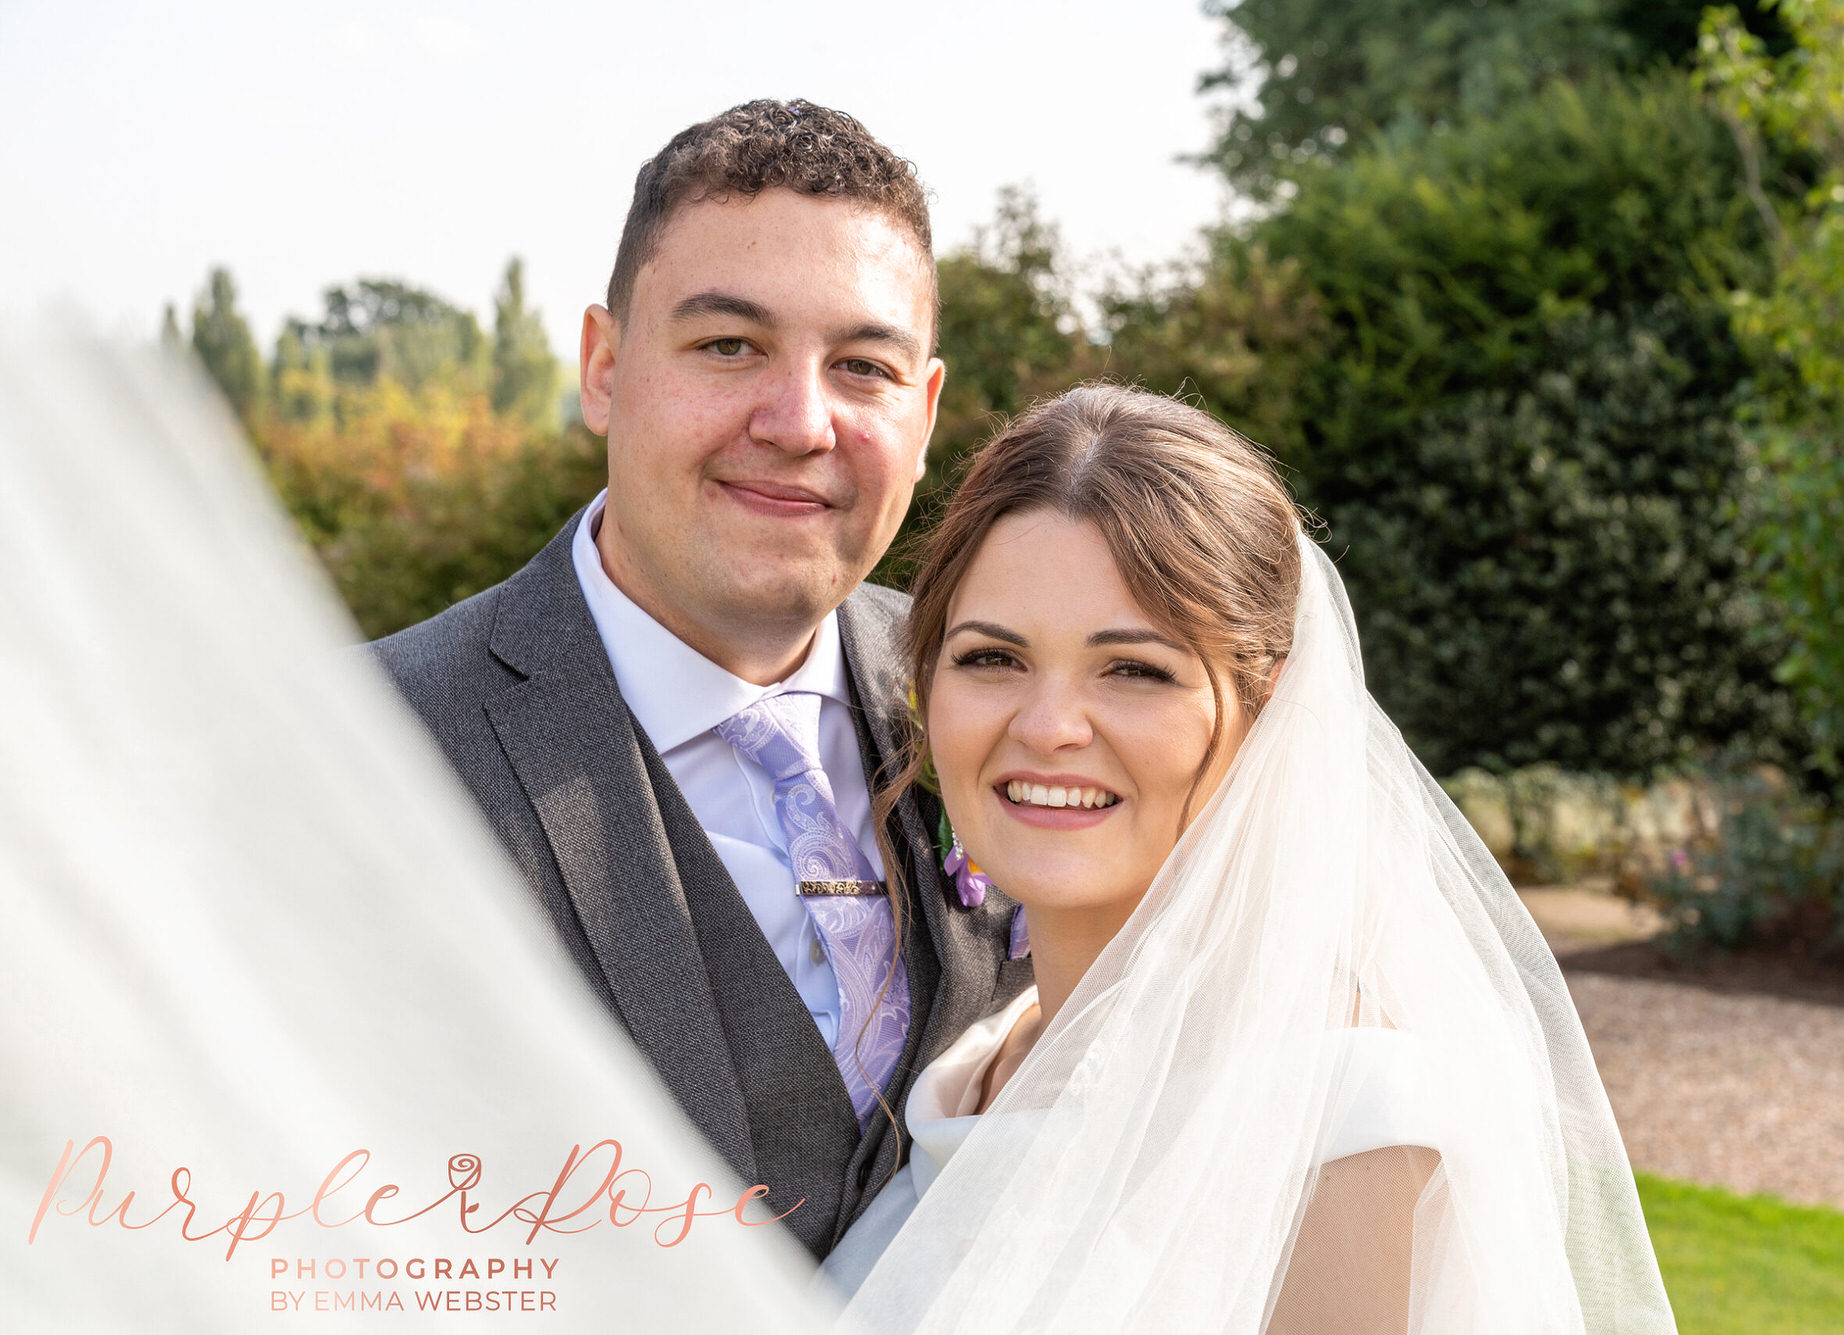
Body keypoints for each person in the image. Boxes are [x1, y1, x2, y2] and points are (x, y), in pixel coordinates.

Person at [819, 385, 1679, 1333]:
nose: (1050, 726)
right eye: (991, 658)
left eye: (1135, 669)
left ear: (1267, 712)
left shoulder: (1335, 1113)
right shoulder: (976, 1059)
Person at [367, 100, 1029, 1261]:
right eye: (729, 346)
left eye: (862, 367)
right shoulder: (359, 750)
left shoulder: (1007, 697)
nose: (799, 422)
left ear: (922, 416)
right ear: (607, 369)